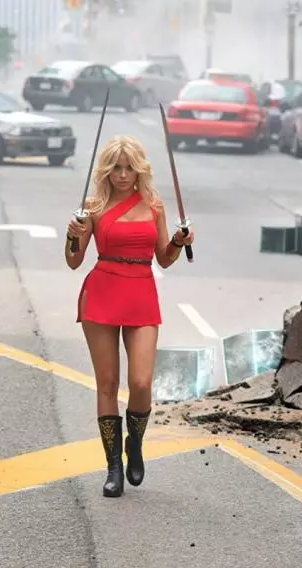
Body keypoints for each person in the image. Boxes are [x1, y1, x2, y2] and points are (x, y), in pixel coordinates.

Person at [64, 135, 194, 498]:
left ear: (139, 170)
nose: (122, 175)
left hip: (141, 293)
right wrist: (72, 236)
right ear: (106, 171)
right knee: (107, 384)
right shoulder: (92, 207)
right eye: (116, 168)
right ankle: (113, 467)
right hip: (102, 292)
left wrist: (178, 242)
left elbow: (164, 258)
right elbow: (73, 260)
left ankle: (134, 443)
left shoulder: (154, 205)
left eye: (129, 168)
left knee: (140, 382)